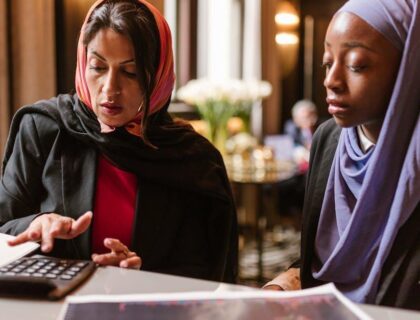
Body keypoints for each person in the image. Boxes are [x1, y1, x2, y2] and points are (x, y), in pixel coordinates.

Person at [0, 0, 237, 283]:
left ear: (159, 75)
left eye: (131, 72)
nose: (110, 88)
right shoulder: (45, 128)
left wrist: (139, 275)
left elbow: (205, 277)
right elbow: (3, 228)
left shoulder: (194, 161)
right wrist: (36, 223)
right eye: (98, 66)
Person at [265, 0, 420, 310]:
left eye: (356, 65)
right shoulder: (329, 139)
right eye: (327, 62)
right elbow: (326, 251)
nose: (331, 81)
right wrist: (285, 280)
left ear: (408, 68)